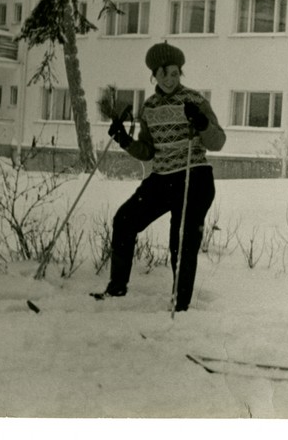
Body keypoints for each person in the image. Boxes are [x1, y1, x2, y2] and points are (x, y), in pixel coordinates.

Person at [97, 41, 226, 312]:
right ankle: (117, 288)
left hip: (195, 177)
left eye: (175, 73)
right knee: (124, 219)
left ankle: (180, 304)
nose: (169, 79)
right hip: (163, 178)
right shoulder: (150, 107)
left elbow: (218, 141)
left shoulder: (195, 100)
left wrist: (201, 123)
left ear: (181, 73)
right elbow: (148, 151)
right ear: (154, 74)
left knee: (181, 238)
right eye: (163, 73)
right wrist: (124, 140)